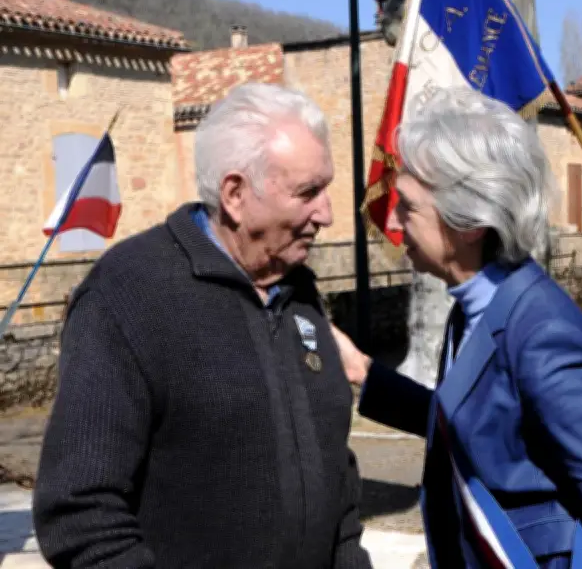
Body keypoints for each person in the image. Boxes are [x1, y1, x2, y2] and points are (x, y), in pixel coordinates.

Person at [33, 83, 372, 568]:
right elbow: (79, 514)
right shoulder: (128, 295)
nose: (327, 213)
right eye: (307, 193)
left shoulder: (300, 295)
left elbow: (335, 476)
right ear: (235, 194)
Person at [332, 87, 582, 568]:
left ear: (468, 221)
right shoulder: (478, 303)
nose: (393, 219)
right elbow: (474, 424)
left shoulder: (542, 332)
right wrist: (366, 373)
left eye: (407, 204)